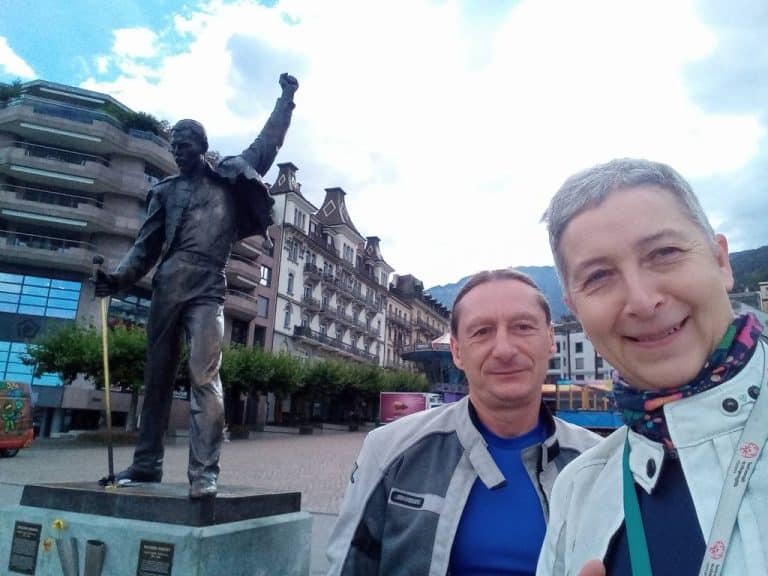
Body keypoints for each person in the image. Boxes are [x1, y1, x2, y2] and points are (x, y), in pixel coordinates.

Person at [536, 158, 767, 576]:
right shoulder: (578, 492)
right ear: (575, 309)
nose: (642, 301)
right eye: (599, 276)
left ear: (721, 261)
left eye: (665, 253)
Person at [94, 73, 299, 498]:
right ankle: (146, 465)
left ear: (202, 147)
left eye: (183, 146)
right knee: (156, 378)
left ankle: (204, 472)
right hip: (167, 287)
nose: (177, 153)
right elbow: (144, 249)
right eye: (173, 147)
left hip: (208, 285)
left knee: (205, 376)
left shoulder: (229, 177)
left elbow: (269, 141)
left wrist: (286, 98)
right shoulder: (164, 193)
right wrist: (116, 279)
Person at [326, 269, 600, 575]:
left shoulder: (601, 464)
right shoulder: (389, 450)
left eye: (523, 327)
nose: (505, 350)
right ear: (457, 351)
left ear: (551, 340)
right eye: (482, 331)